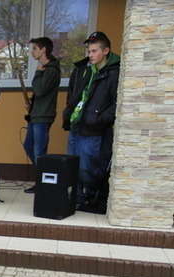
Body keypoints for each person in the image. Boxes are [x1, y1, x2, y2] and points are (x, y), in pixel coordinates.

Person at [63, 31, 119, 214]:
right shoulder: (85, 70)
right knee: (73, 165)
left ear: (106, 51)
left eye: (94, 51)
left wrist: (99, 119)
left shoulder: (114, 73)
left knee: (88, 167)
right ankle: (78, 197)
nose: (90, 55)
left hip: (94, 129)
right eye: (89, 51)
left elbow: (117, 103)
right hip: (77, 125)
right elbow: (75, 95)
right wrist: (68, 113)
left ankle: (91, 196)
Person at [22, 37, 61, 194]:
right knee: (28, 146)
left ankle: (43, 183)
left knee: (39, 152)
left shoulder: (51, 70)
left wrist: (38, 73)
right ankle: (43, 178)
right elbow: (39, 93)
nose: (32, 52)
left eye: (35, 49)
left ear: (43, 49)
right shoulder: (45, 68)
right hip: (36, 114)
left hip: (43, 116)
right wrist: (32, 105)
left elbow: (40, 90)